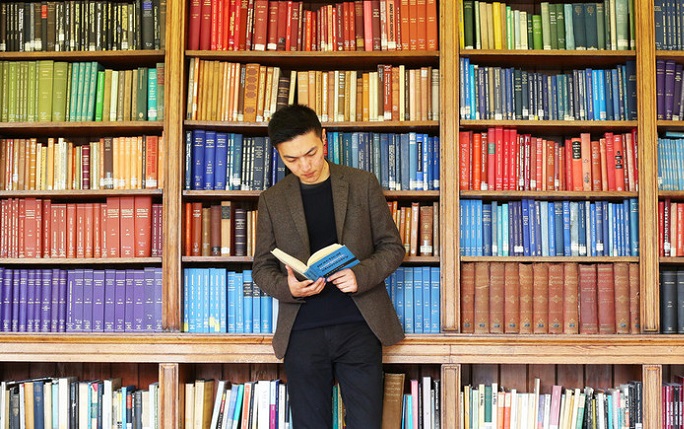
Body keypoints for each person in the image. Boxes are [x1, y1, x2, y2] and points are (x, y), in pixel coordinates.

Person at [252, 104, 406, 429]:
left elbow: (393, 248)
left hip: (359, 326)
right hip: (302, 331)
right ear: (278, 154)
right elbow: (262, 268)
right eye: (291, 159)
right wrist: (288, 288)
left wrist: (360, 275)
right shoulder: (272, 200)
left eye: (310, 152)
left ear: (324, 139)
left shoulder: (361, 184)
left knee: (367, 424)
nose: (305, 166)